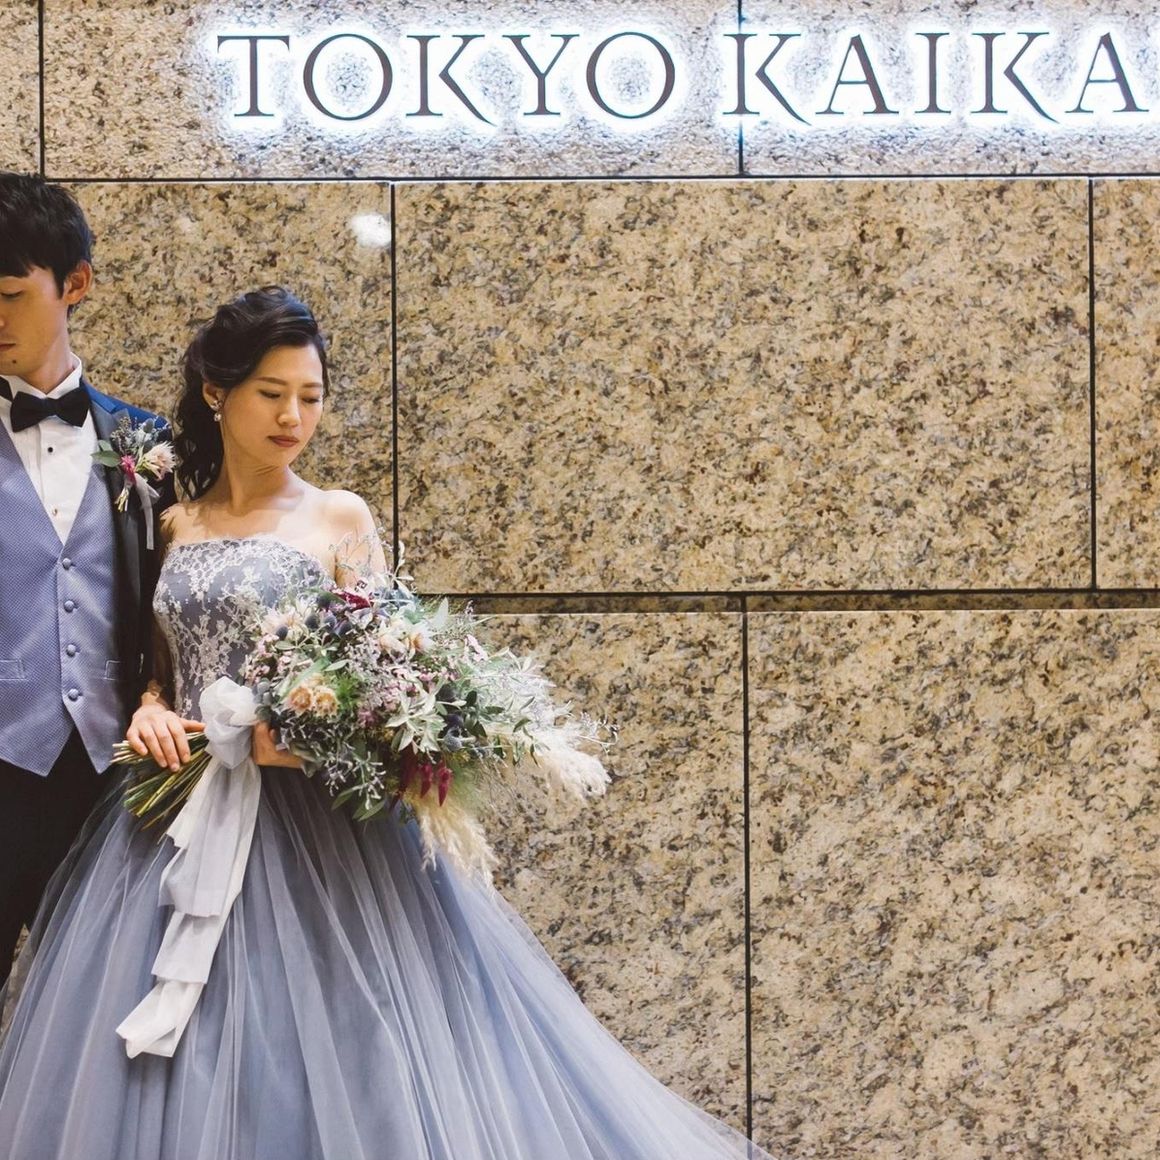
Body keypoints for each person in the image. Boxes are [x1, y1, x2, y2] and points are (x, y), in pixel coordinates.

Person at [0, 287, 782, 1160]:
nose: (294, 417)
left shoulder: (340, 516)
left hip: (318, 838)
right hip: (176, 823)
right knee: (180, 1061)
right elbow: (159, 666)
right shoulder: (174, 521)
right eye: (272, 394)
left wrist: (307, 733)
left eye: (311, 396)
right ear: (217, 393)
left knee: (342, 1051)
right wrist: (151, 707)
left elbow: (383, 675)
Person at [0, 172, 172, 986]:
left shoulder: (145, 441)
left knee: (103, 1011)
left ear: (75, 284)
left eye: (10, 296)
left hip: (112, 779)